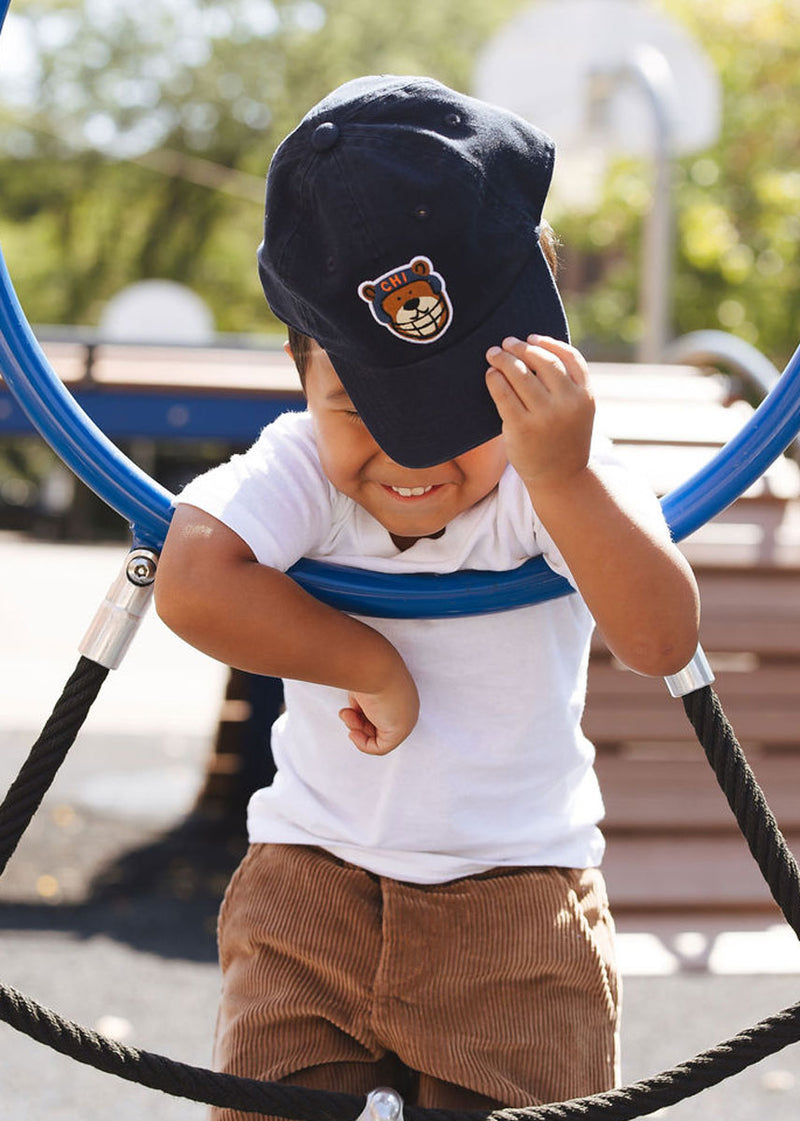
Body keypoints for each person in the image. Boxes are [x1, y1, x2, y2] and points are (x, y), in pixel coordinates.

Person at [155, 75, 700, 1117]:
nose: (412, 458)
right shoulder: (302, 462)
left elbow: (659, 635)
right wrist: (367, 661)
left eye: (458, 406)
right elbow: (188, 578)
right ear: (300, 370)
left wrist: (564, 477)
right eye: (358, 405)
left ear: (540, 367)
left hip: (511, 902)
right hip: (309, 887)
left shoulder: (553, 471)